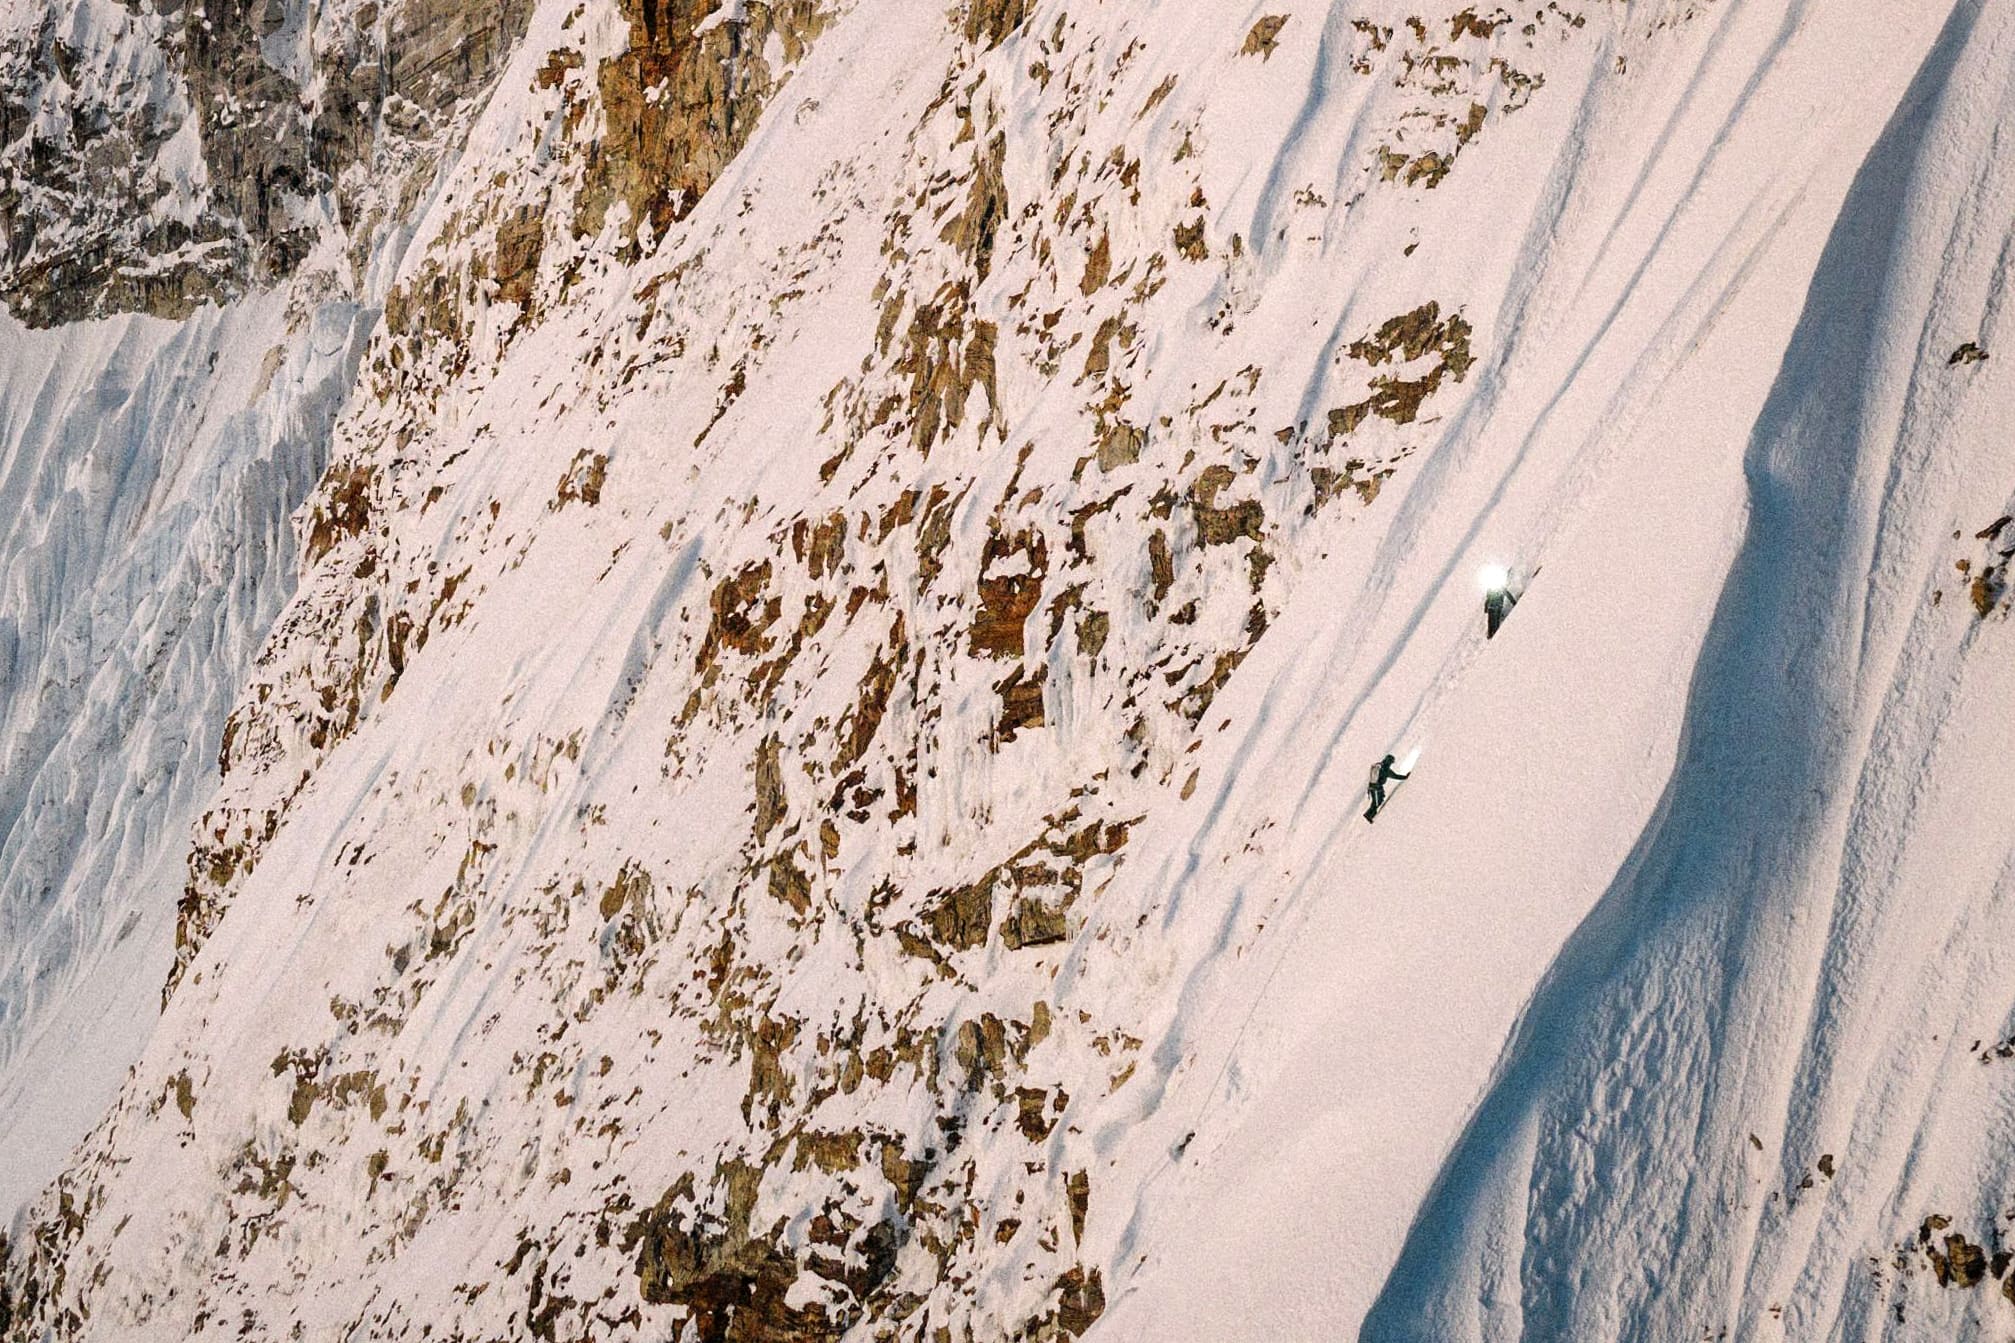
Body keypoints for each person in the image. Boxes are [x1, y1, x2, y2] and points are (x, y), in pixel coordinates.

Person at [1364, 753, 1409, 822]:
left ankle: (1371, 814)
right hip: (1377, 787)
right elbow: (1395, 776)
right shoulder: (1385, 769)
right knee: (1377, 802)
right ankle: (1369, 815)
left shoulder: (1378, 765)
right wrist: (1405, 777)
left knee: (1378, 800)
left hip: (1373, 786)